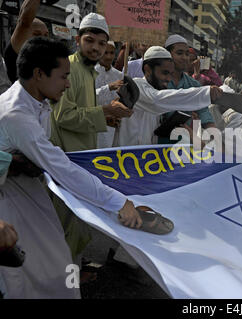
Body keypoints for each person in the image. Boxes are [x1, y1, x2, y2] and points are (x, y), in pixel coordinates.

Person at [0, 37, 149, 298]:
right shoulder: (17, 115)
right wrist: (118, 201)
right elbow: (61, 167)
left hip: (28, 188)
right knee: (26, 268)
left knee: (54, 259)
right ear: (38, 74)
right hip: (10, 197)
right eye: (63, 77)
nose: (68, 84)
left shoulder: (34, 99)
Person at [49, 14, 134, 271]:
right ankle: (60, 283)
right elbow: (63, 115)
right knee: (61, 227)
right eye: (90, 41)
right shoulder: (71, 69)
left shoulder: (87, 72)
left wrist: (104, 118)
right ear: (78, 40)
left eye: (101, 43)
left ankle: (70, 276)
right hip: (66, 160)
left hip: (80, 158)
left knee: (74, 224)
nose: (96, 48)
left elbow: (82, 109)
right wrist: (105, 111)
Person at [114, 46, 223, 147]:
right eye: (165, 73)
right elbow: (156, 101)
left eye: (170, 74)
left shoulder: (156, 92)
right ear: (147, 69)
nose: (168, 79)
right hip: (123, 158)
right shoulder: (136, 86)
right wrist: (206, 93)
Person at [3, 0, 49, 83]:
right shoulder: (20, 48)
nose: (43, 38)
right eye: (36, 34)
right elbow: (24, 22)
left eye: (46, 35)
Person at [95, 41, 124, 149]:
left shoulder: (119, 75)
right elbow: (87, 97)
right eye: (105, 53)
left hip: (114, 127)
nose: (109, 56)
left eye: (112, 53)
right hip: (96, 126)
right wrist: (108, 88)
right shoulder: (90, 73)